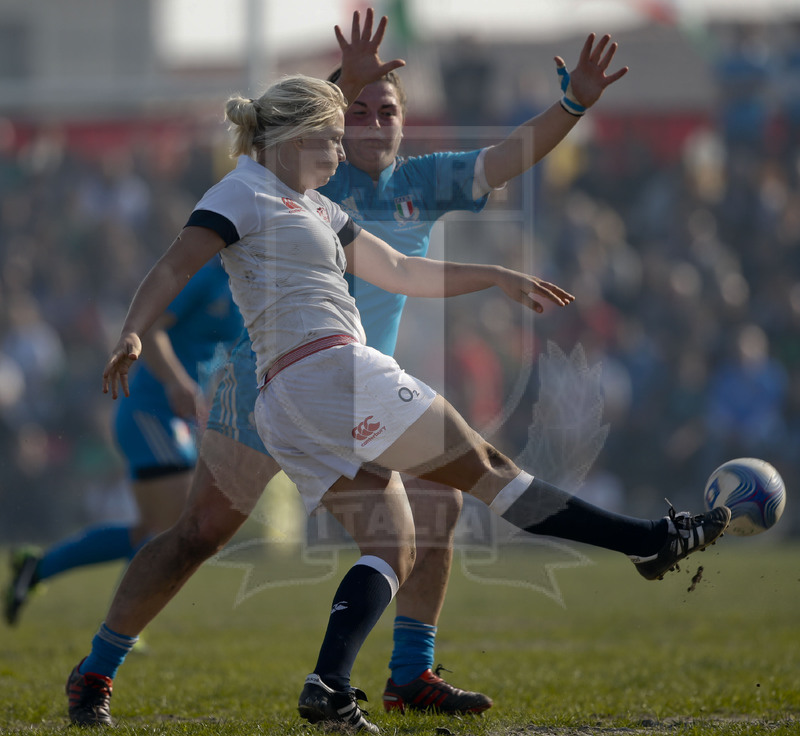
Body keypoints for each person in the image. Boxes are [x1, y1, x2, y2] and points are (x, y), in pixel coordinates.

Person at [75, 70, 730, 734]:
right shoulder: (242, 190)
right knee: (491, 473)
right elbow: (172, 266)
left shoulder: (319, 206)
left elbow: (400, 270)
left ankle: (328, 685)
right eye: (333, 137)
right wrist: (132, 329)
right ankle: (648, 542)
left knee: (393, 542)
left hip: (291, 400)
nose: (341, 151)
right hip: (330, 374)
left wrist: (493, 276)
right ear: (299, 135)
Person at [4, 257, 242, 626]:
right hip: (151, 409)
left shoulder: (251, 280)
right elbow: (152, 330)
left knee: (153, 529)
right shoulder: (206, 278)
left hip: (178, 415)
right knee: (172, 526)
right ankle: (123, 621)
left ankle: (38, 568)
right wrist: (177, 382)